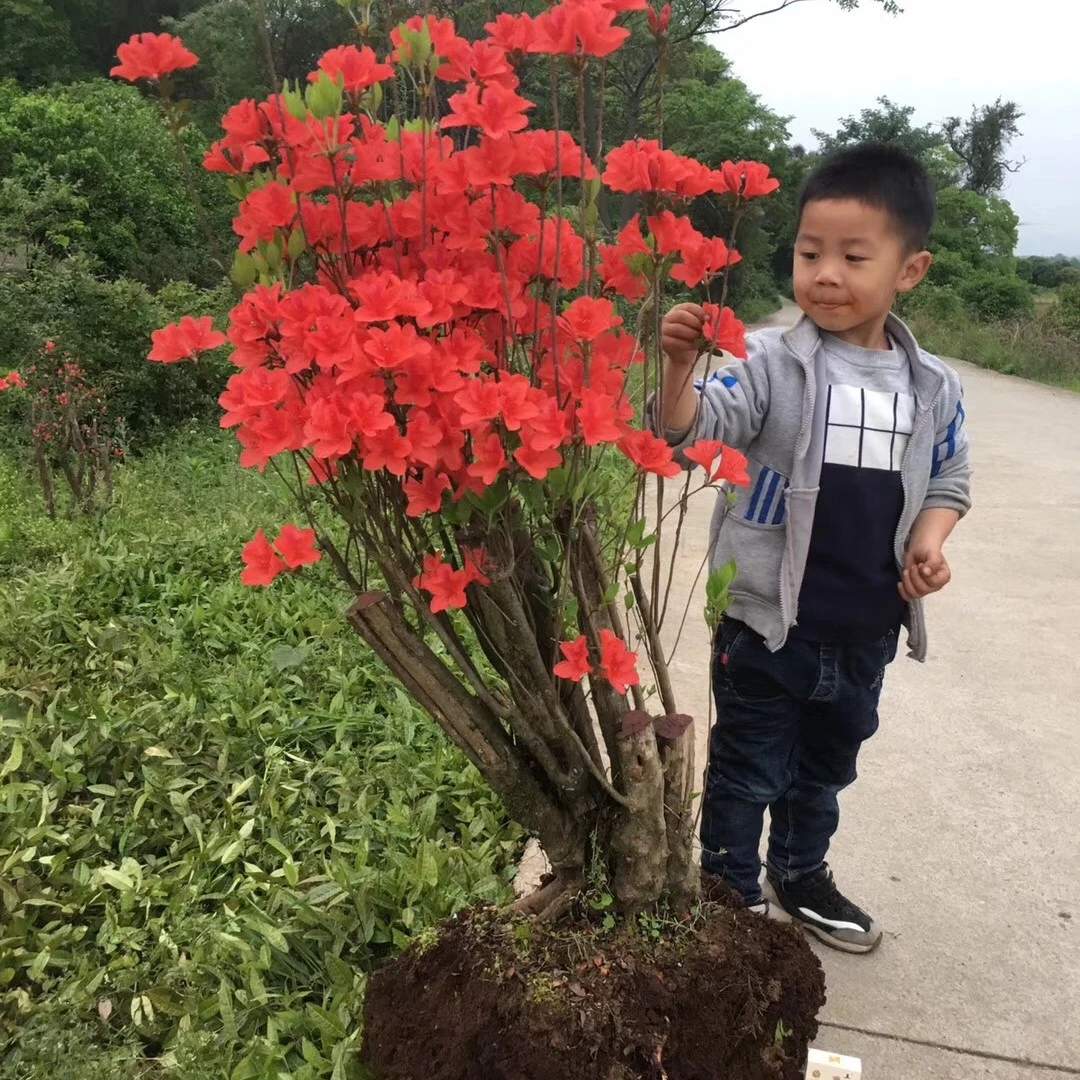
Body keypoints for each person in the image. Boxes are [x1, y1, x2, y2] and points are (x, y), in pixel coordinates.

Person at [655, 143, 972, 953]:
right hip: (767, 624)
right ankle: (728, 897)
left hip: (866, 631)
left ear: (912, 268)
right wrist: (679, 368)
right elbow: (692, 431)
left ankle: (798, 873)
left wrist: (929, 545)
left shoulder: (932, 386)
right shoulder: (767, 361)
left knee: (825, 771)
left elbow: (949, 479)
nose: (825, 273)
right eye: (809, 253)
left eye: (853, 256)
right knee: (747, 770)